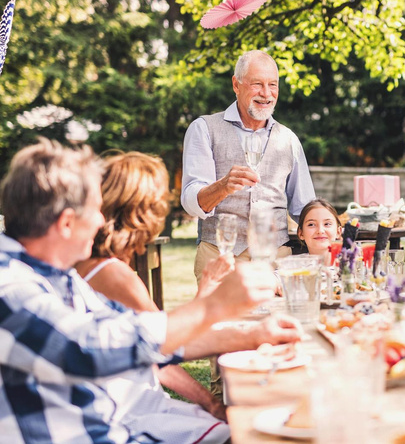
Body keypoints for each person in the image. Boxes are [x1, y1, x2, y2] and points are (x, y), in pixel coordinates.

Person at [0, 139, 300, 443]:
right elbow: (87, 347)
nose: (101, 221)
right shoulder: (8, 283)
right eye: (95, 210)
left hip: (116, 423)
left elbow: (140, 335)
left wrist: (253, 335)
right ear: (66, 223)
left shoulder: (58, 276)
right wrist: (213, 307)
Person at [75, 151, 240, 420]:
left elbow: (161, 339)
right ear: (144, 210)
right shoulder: (114, 275)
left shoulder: (92, 263)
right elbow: (163, 352)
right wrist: (213, 406)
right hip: (130, 409)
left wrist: (207, 285)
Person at [181, 49, 316, 282]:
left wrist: (328, 224)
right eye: (257, 84)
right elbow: (191, 202)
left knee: (278, 319)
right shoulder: (203, 129)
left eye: (273, 85)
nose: (266, 94)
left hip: (276, 260)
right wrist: (223, 186)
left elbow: (303, 206)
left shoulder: (289, 139)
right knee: (223, 320)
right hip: (220, 257)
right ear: (236, 84)